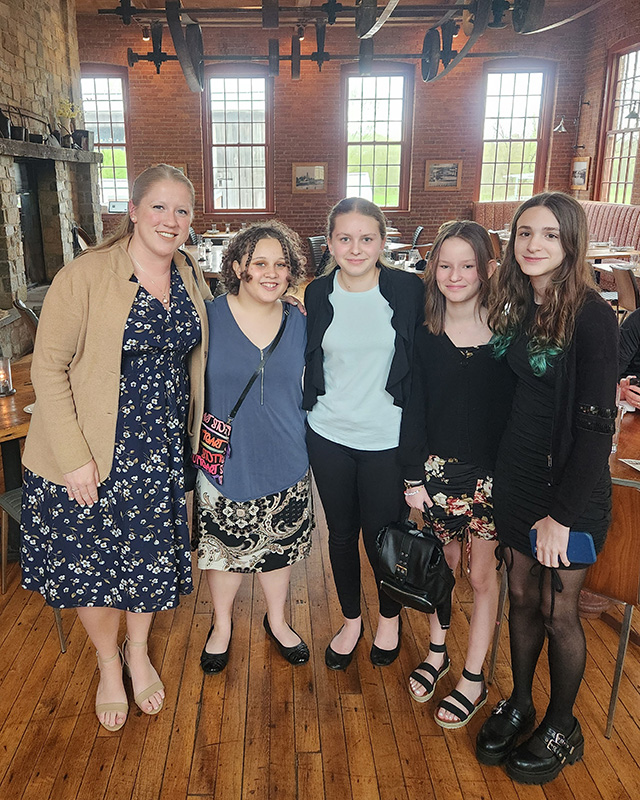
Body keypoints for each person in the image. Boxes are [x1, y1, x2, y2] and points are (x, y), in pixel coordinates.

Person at [20, 164, 211, 732]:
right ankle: (108, 663)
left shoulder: (189, 273)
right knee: (92, 567)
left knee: (146, 566)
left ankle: (138, 649)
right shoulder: (83, 276)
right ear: (132, 210)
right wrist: (76, 456)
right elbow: (47, 370)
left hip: (162, 452)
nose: (170, 220)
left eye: (181, 210)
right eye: (158, 207)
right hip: (93, 455)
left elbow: (206, 343)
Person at [476, 193, 618, 785]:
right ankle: (522, 702)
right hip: (518, 476)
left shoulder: (591, 314)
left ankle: (563, 724)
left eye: (551, 235)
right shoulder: (518, 303)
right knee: (520, 597)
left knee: (561, 610)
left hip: (570, 488)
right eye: (525, 233)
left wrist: (562, 514)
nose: (534, 244)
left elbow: (595, 425)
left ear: (571, 243)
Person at [399, 221, 516, 728]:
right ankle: (438, 648)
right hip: (437, 474)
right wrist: (412, 477)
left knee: (481, 574)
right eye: (445, 264)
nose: (455, 274)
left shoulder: (510, 333)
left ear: (486, 269)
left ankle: (473, 675)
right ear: (433, 269)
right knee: (441, 566)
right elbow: (413, 409)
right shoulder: (423, 332)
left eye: (467, 265)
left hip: (493, 476)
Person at [304, 197, 424, 670]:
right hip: (328, 433)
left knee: (384, 536)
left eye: (366, 238)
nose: (355, 248)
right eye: (344, 238)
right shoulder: (317, 292)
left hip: (386, 439)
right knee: (340, 534)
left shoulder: (407, 290)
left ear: (383, 241)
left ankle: (389, 618)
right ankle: (352, 619)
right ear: (330, 241)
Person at [194, 221, 313, 674]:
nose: (271, 272)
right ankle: (221, 625)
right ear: (238, 266)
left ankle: (277, 620)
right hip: (223, 458)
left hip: (285, 454)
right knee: (221, 551)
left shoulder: (300, 321)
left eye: (281, 264)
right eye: (260, 262)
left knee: (278, 548)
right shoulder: (209, 317)